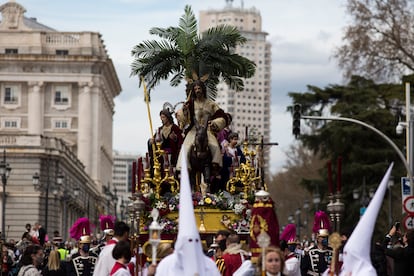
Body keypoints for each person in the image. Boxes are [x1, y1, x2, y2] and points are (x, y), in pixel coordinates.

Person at [176, 80, 227, 173]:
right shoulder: (190, 103)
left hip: (207, 130)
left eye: (199, 88)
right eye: (195, 89)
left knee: (214, 146)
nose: (197, 90)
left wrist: (214, 123)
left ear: (203, 89)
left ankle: (216, 165)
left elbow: (222, 116)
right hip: (194, 130)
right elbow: (182, 118)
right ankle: (184, 167)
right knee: (186, 147)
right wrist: (185, 111)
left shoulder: (211, 104)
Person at [300, 211, 332, 276]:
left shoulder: (332, 251)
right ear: (317, 238)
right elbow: (303, 270)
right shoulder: (309, 251)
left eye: (326, 237)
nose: (325, 239)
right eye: (322, 237)